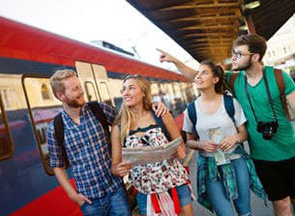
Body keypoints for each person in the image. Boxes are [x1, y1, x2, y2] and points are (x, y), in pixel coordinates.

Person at [158, 34, 295, 216]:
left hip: (290, 150)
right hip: (262, 156)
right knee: (282, 203)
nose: (234, 58)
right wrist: (174, 61)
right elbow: (198, 76)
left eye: (239, 54)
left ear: (255, 57)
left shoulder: (279, 77)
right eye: (234, 53)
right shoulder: (235, 80)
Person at [47, 69, 168, 216]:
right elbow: (57, 165)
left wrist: (152, 104)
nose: (81, 91)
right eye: (75, 89)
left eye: (80, 86)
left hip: (115, 191)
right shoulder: (55, 128)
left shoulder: (99, 110)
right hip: (88, 199)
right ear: (61, 96)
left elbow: (132, 118)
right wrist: (72, 195)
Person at [182, 60, 266, 215]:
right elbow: (189, 141)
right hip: (210, 166)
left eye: (204, 72)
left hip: (236, 161)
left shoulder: (230, 103)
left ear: (215, 79)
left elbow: (244, 133)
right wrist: (201, 145)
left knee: (244, 211)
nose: (198, 76)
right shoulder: (191, 110)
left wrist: (235, 139)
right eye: (197, 73)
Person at [111, 74, 193, 216]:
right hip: (146, 193)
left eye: (131, 88)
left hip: (176, 184)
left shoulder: (161, 115)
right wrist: (120, 170)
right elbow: (115, 167)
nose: (125, 93)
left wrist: (180, 152)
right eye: (124, 89)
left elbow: (181, 146)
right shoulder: (119, 127)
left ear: (143, 92)